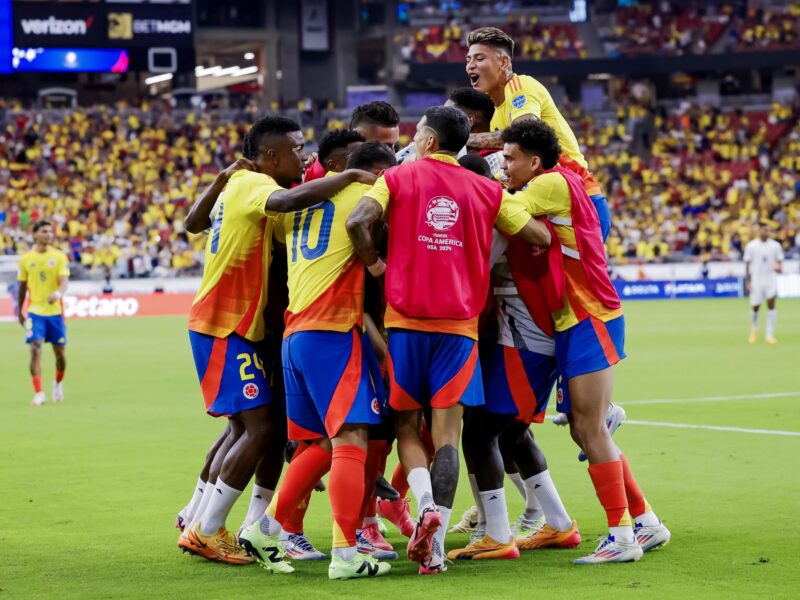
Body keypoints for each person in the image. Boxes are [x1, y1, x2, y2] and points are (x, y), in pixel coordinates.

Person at [346, 106, 552, 575]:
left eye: (417, 132)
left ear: (428, 141)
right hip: (459, 327)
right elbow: (538, 234)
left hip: (404, 322)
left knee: (405, 428)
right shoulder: (487, 190)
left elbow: (358, 221)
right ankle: (435, 549)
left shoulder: (398, 178)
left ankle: (425, 509)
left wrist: (378, 266)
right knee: (448, 438)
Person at [177, 116, 377, 567]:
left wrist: (220, 178)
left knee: (249, 427)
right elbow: (288, 200)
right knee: (261, 427)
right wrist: (342, 176)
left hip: (236, 327)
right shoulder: (253, 184)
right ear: (271, 157)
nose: (304, 157)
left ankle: (201, 520)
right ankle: (207, 529)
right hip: (223, 324)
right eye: (296, 149)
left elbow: (193, 222)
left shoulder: (239, 183)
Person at [498, 118, 670, 564]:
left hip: (588, 316)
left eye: (511, 157)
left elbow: (504, 209)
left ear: (534, 161)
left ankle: (622, 537)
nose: (504, 164)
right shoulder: (559, 181)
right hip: (578, 317)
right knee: (583, 427)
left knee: (589, 428)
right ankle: (644, 522)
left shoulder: (550, 183)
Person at [239, 141, 397, 581]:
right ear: (367, 171)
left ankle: (265, 527)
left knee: (320, 445)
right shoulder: (365, 196)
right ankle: (346, 553)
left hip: (295, 336)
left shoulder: (298, 208)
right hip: (331, 331)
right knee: (352, 439)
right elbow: (363, 226)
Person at [464, 26, 611, 239]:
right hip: (543, 202)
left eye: (479, 58)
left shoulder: (521, 85)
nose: (470, 65)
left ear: (503, 63)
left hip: (579, 198)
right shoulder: (496, 115)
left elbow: (523, 133)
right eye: (468, 59)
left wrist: (463, 139)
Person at [16, 219, 69, 406]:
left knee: (60, 354)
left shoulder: (60, 257)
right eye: (45, 231)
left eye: (50, 231)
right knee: (35, 348)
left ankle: (58, 383)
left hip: (55, 313)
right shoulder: (26, 259)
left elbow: (64, 282)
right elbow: (22, 287)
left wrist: (57, 293)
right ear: (35, 234)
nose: (49, 235)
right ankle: (39, 393)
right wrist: (19, 311)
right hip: (35, 311)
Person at [304, 102, 401, 181]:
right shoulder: (307, 181)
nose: (393, 156)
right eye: (385, 147)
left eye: (395, 147)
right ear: (357, 141)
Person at [744, 225, 783, 344]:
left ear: (769, 231)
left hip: (770, 278)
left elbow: (779, 260)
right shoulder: (751, 246)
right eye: (762, 229)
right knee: (755, 306)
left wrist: (779, 267)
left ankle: (769, 335)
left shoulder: (775, 245)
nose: (764, 232)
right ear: (758, 231)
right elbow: (747, 263)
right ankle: (754, 329)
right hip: (756, 279)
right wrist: (748, 280)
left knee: (771, 304)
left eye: (766, 229)